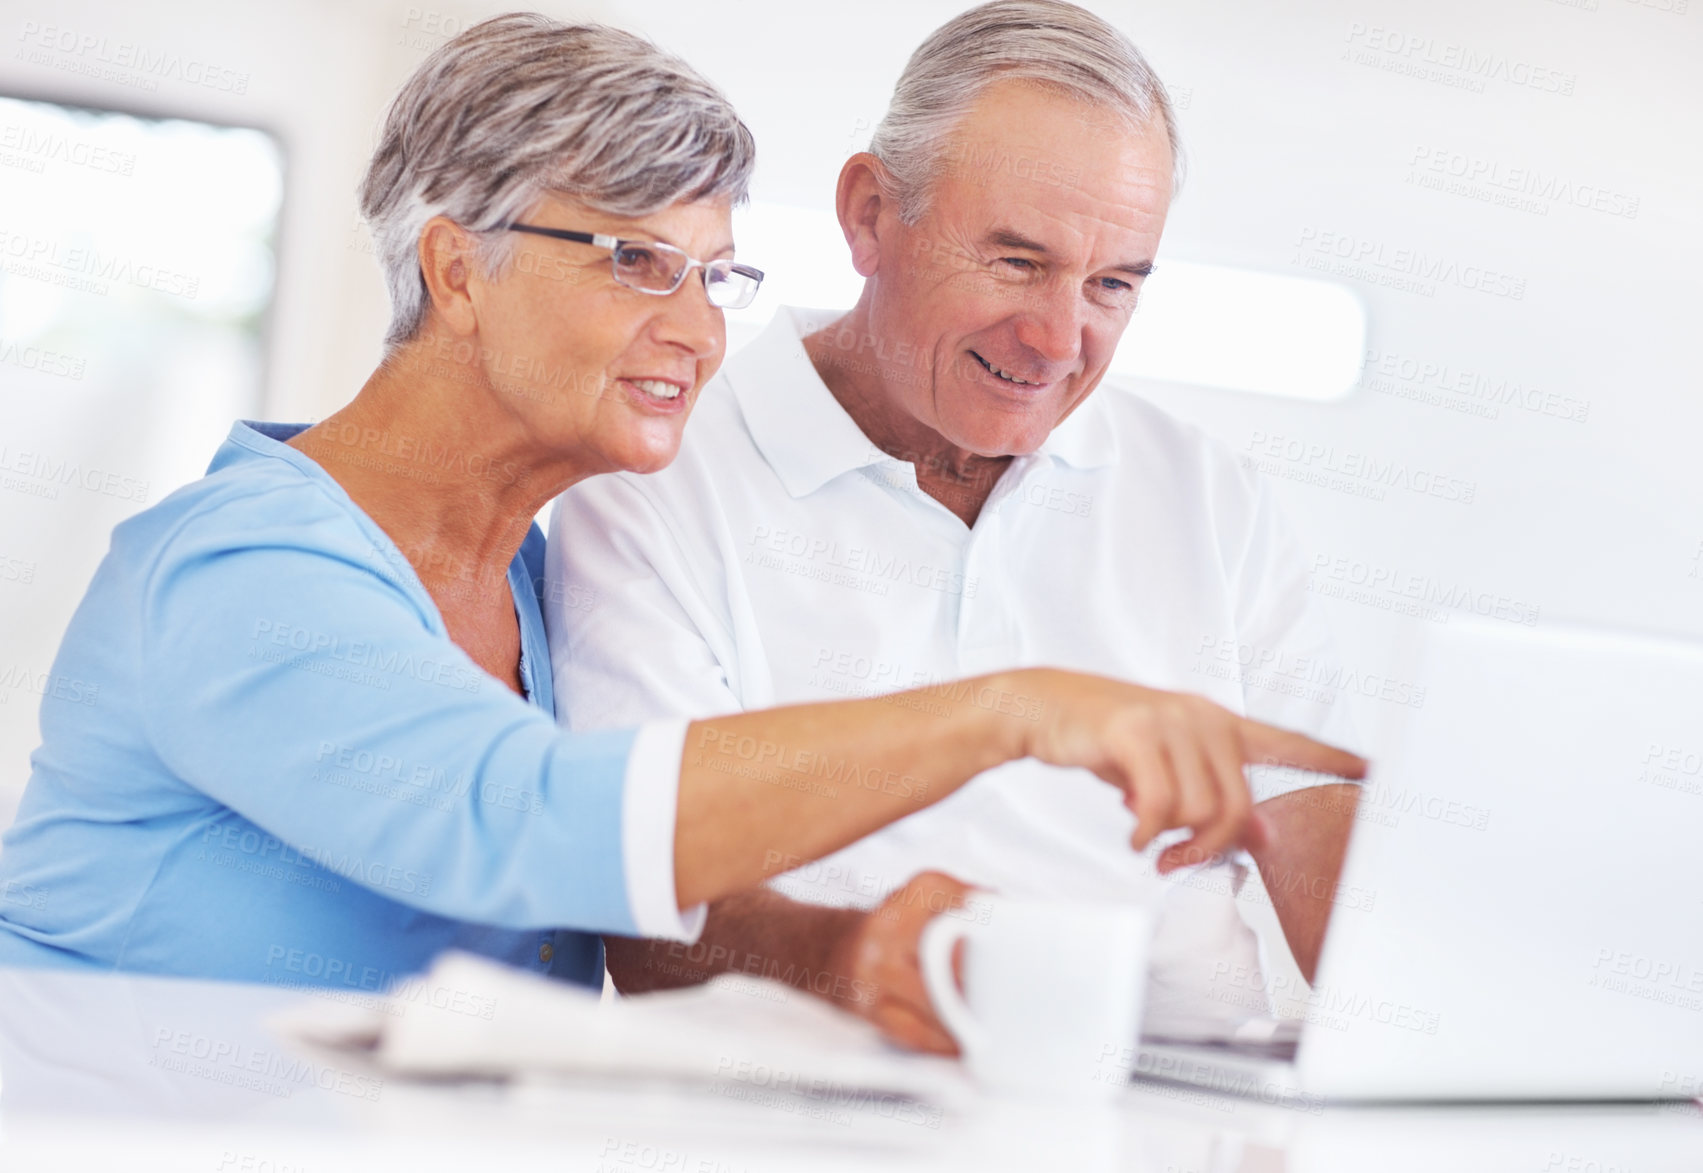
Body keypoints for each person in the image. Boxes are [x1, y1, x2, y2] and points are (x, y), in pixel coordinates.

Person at [0, 14, 1362, 992]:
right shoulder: (234, 566)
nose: (696, 333)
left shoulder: (528, 580)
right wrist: (1012, 710)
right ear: (455, 271)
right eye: (638, 261)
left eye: (715, 277)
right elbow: (528, 822)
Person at [547, 0, 1369, 1049]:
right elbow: (652, 916)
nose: (1056, 340)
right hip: (822, 1111)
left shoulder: (1213, 499)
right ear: (869, 215)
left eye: (1112, 284)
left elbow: (1347, 885)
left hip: (1180, 1112)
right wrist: (864, 969)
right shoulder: (655, 477)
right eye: (1015, 262)